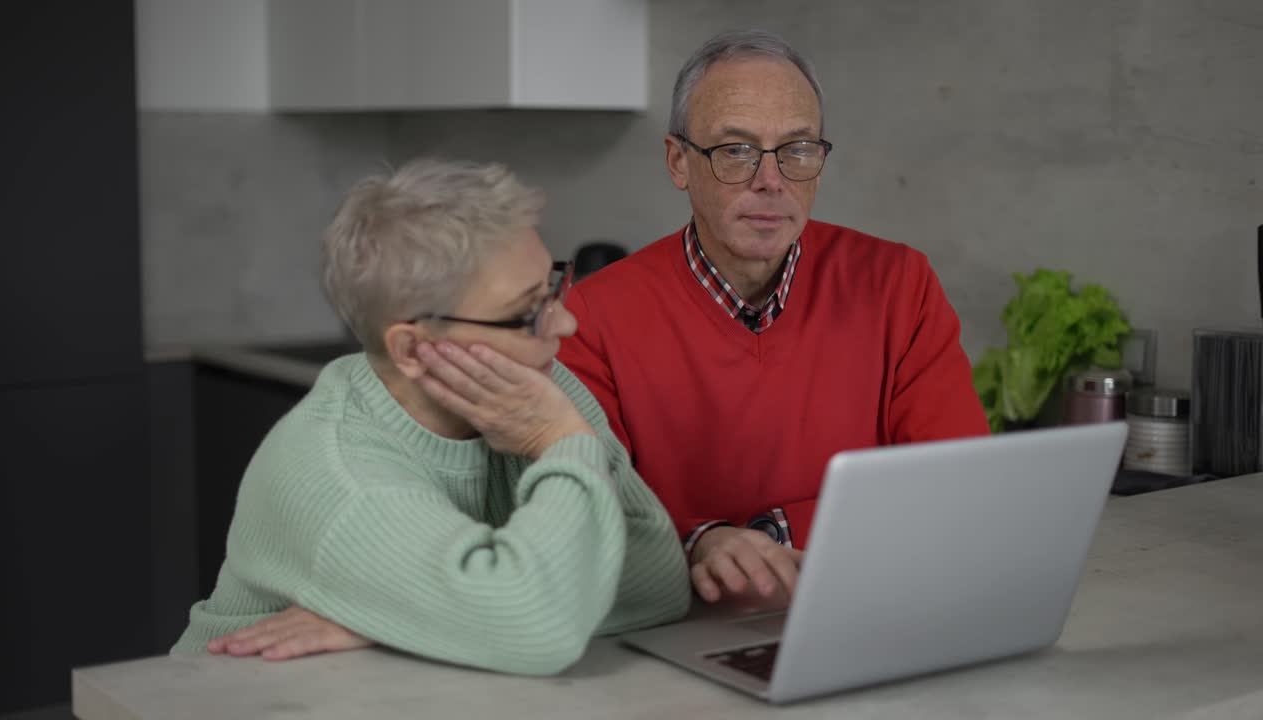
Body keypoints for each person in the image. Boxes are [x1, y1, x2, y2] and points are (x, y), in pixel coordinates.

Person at [171, 158, 690, 673]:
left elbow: (659, 583)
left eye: (552, 288)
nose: (567, 325)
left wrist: (425, 621)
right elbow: (542, 631)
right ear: (413, 349)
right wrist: (560, 443)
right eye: (527, 312)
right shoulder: (342, 475)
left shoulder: (540, 388)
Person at [556, 30, 990, 606]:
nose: (771, 180)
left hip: (873, 608)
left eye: (797, 148)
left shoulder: (899, 284)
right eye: (736, 150)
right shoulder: (588, 316)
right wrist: (700, 544)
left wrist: (767, 535)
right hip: (680, 634)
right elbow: (584, 521)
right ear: (678, 162)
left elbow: (957, 489)